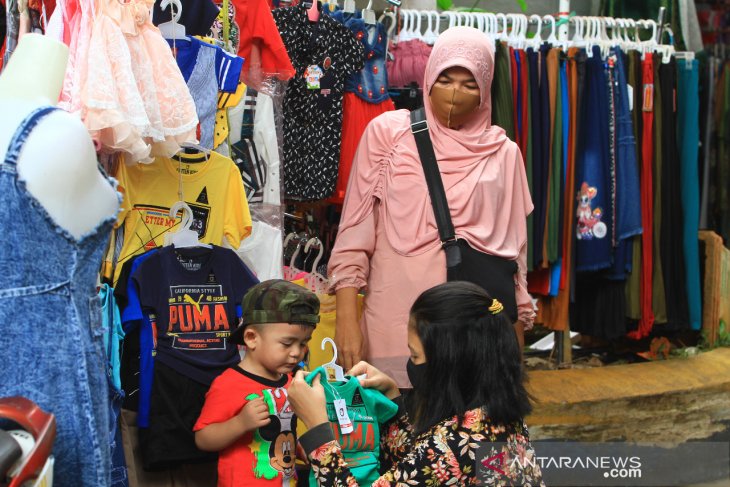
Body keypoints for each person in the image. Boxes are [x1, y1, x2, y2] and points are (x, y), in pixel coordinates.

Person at [328, 26, 535, 386]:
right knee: (396, 429)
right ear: (428, 77)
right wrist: (346, 316)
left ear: (486, 90)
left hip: (475, 331)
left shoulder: (504, 153)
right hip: (395, 324)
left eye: (470, 84)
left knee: (466, 435)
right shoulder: (389, 134)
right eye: (445, 78)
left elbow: (514, 255)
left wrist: (515, 333)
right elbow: (355, 230)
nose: (455, 93)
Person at [288, 281, 545, 486]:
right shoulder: (496, 418)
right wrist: (394, 404)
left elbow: (431, 459)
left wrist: (318, 429)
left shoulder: (454, 444)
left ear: (449, 364)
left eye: (415, 356)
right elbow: (418, 466)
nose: (411, 365)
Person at [193, 279, 320, 486]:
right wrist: (239, 423)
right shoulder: (228, 384)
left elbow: (279, 432)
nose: (297, 352)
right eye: (287, 343)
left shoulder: (291, 382)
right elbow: (203, 439)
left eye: (303, 343)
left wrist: (297, 446)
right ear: (252, 338)